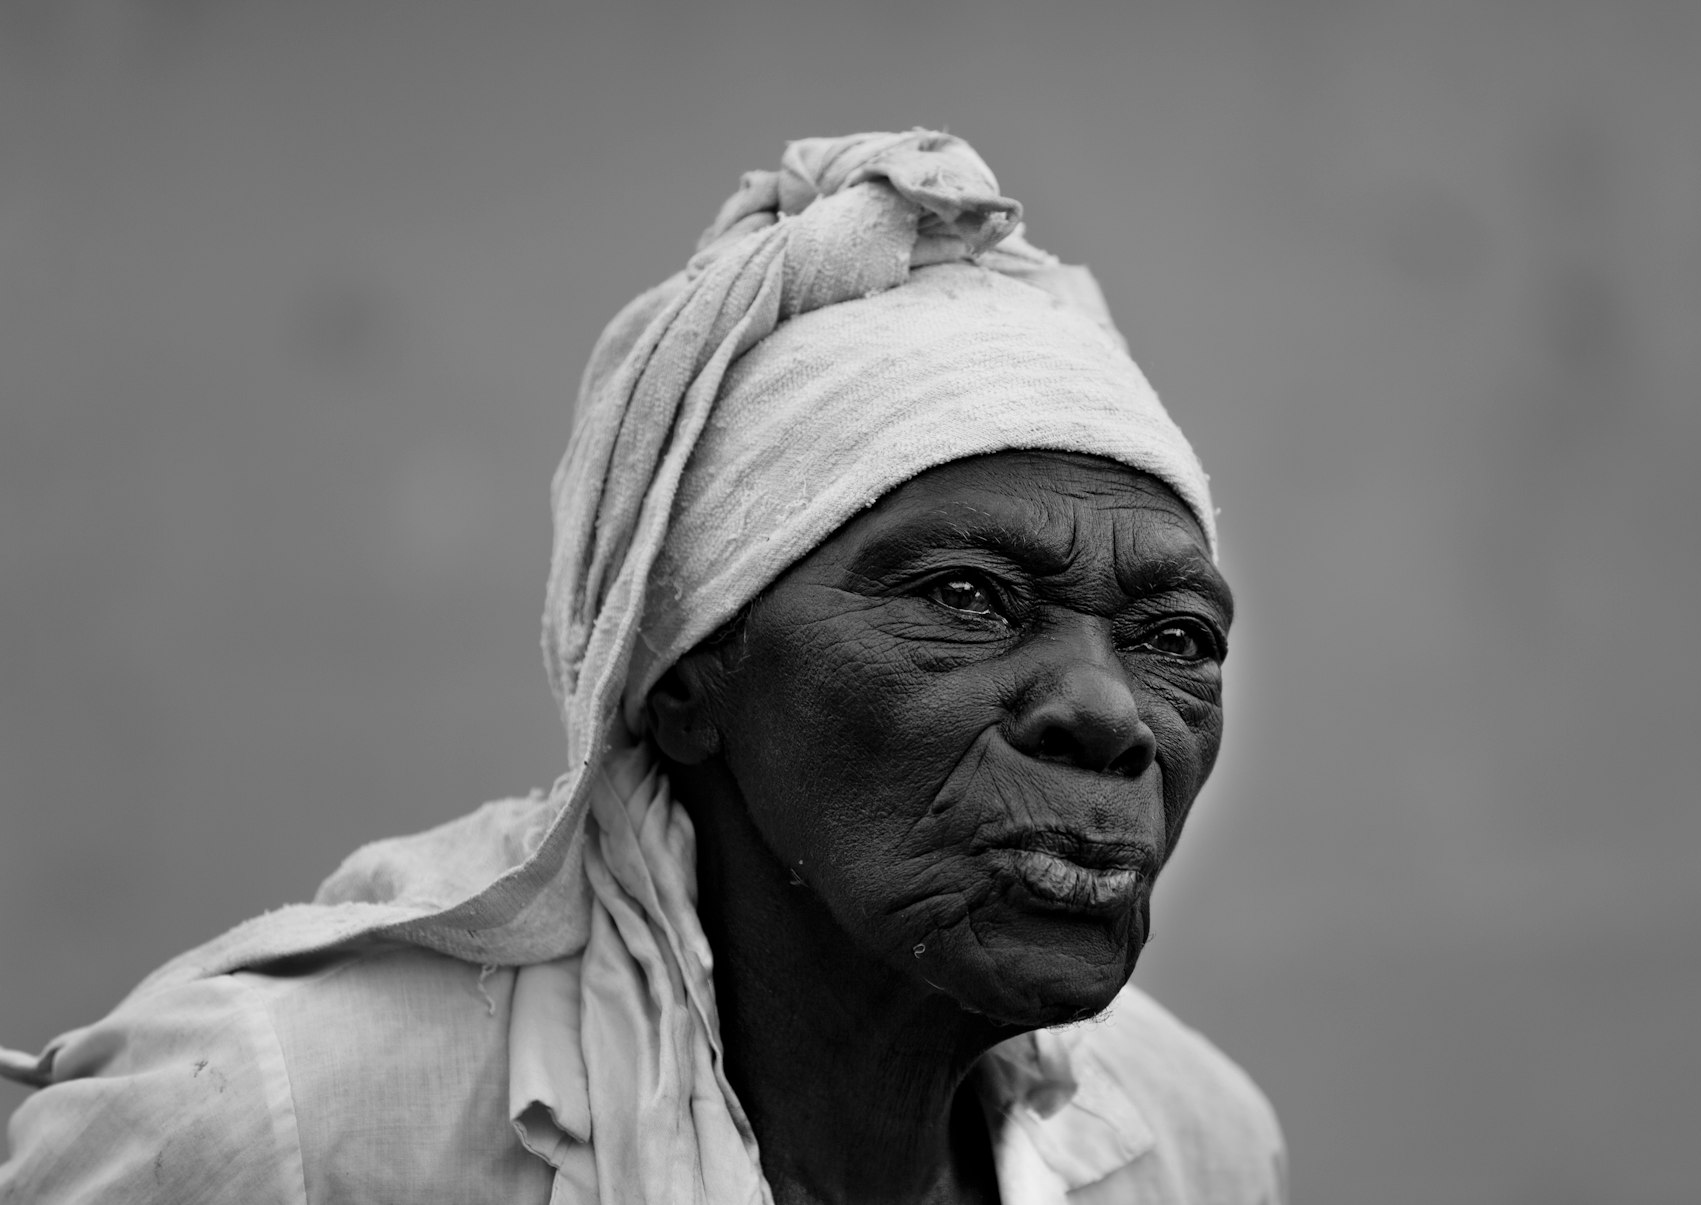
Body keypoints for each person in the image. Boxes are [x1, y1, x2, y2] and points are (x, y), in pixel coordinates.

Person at [0, 131, 1285, 1204]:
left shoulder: (1189, 1148)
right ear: (685, 680)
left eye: (1176, 639)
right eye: (965, 598)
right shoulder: (280, 1127)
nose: (1109, 714)